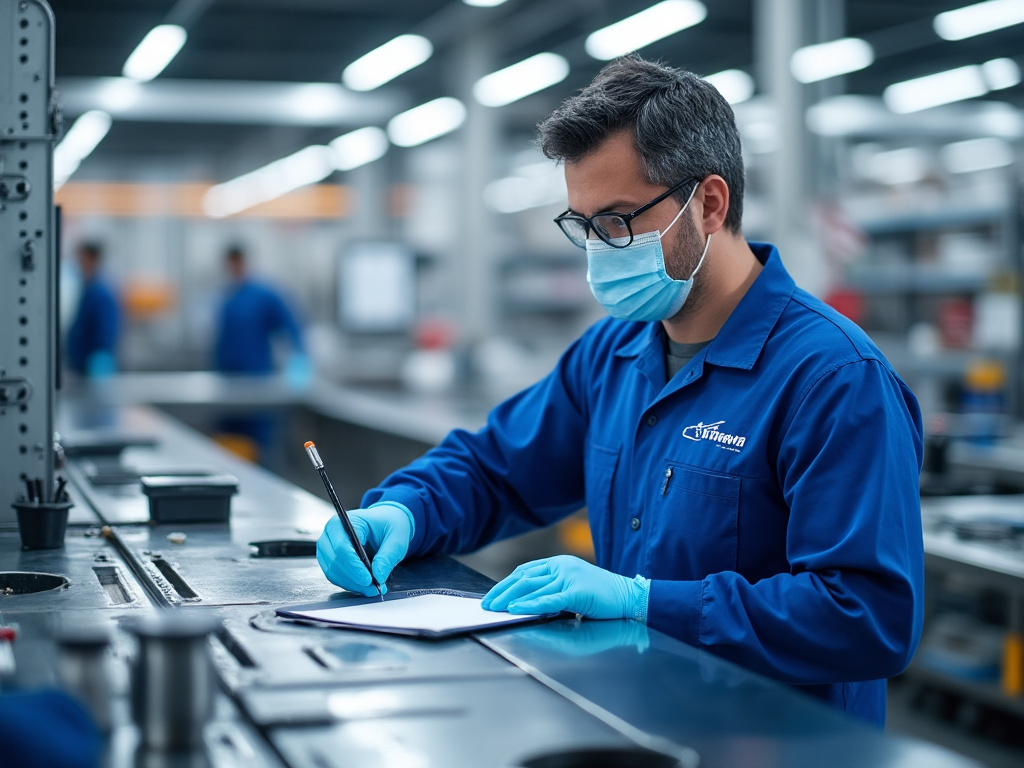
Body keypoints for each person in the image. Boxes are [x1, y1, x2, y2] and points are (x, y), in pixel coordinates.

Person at [316, 55, 924, 728]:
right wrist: (402, 512)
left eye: (618, 220)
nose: (600, 250)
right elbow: (496, 468)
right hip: (642, 723)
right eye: (584, 225)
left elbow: (868, 616)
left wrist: (645, 602)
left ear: (710, 203)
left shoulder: (833, 379)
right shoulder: (614, 353)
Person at [212, 245, 308, 462]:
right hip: (229, 384)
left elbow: (293, 326)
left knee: (261, 447)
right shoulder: (228, 299)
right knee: (231, 447)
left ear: (244, 262)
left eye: (236, 263)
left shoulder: (264, 295)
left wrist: (299, 360)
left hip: (257, 384)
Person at [66, 242, 120, 377]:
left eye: (82, 259)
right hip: (83, 363)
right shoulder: (89, 289)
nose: (79, 264)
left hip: (94, 363)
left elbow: (105, 333)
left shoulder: (100, 292)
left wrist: (96, 359)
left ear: (92, 260)